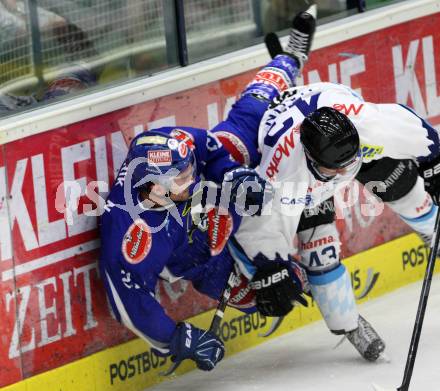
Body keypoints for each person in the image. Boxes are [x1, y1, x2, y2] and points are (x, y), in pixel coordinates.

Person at [98, 7, 316, 372]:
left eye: (187, 172)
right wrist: (178, 338)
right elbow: (129, 301)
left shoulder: (171, 144)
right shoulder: (134, 235)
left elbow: (208, 150)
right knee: (275, 291)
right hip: (203, 259)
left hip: (219, 206)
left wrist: (232, 175)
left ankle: (290, 57)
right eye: (181, 180)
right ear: (152, 186)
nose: (190, 179)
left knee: (251, 116)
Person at [220, 6, 440, 363]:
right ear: (309, 157)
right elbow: (259, 229)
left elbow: (413, 126)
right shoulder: (283, 173)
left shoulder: (366, 124)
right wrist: (270, 269)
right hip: (301, 179)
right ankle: (349, 324)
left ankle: (433, 231)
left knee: (403, 187)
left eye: (347, 164)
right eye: (333, 169)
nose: (344, 175)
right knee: (318, 252)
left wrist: (435, 162)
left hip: (344, 136)